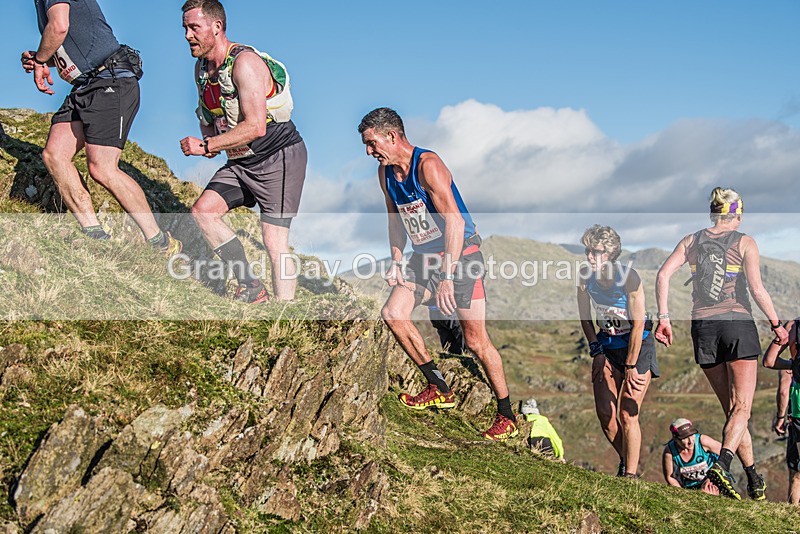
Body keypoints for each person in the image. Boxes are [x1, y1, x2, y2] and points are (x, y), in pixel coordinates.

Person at [359, 107, 517, 441]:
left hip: (462, 255)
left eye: (373, 144)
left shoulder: (428, 166)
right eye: (367, 146)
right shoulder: (386, 173)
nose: (370, 152)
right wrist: (397, 261)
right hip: (423, 257)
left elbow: (456, 222)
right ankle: (438, 386)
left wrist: (446, 276)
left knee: (476, 341)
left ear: (392, 135)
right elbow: (395, 219)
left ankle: (507, 416)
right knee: (393, 313)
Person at [655, 187, 788, 500]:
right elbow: (757, 290)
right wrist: (777, 325)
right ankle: (723, 465)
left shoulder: (690, 240)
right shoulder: (745, 242)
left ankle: (754, 477)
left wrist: (663, 317)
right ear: (737, 215)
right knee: (742, 408)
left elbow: (663, 275)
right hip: (737, 325)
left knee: (733, 411)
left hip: (703, 329)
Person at [21, 0, 181, 254]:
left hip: (111, 79)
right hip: (85, 85)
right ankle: (94, 235)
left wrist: (41, 60)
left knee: (102, 168)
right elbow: (69, 43)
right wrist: (40, 58)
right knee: (55, 154)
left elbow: (60, 26)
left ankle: (161, 243)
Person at [179, 0, 307, 303]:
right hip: (240, 160)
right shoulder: (201, 68)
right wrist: (210, 139)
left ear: (217, 27)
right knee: (204, 213)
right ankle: (251, 286)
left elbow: (256, 127)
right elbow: (210, 114)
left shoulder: (245, 63)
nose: (187, 35)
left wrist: (207, 146)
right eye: (184, 28)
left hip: (278, 156)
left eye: (194, 27)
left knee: (274, 240)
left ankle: (283, 315)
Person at [577, 225, 659, 478]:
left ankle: (630, 476)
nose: (591, 256)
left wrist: (632, 366)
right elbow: (584, 317)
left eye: (597, 251)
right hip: (608, 346)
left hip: (637, 345)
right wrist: (596, 351)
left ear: (611, 254)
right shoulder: (584, 277)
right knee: (606, 415)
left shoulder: (629, 278)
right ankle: (627, 459)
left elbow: (637, 325)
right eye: (588, 251)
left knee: (627, 413)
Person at [762, 318, 800, 504]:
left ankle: (794, 520)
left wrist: (793, 365)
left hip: (798, 407)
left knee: (797, 473)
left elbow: (769, 361)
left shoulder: (792, 327)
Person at [662, 418, 721, 494]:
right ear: (675, 439)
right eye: (685, 438)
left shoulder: (703, 441)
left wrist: (712, 478)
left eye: (692, 435)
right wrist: (682, 494)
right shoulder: (669, 452)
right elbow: (669, 477)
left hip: (712, 480)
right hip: (689, 487)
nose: (690, 441)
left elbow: (725, 455)